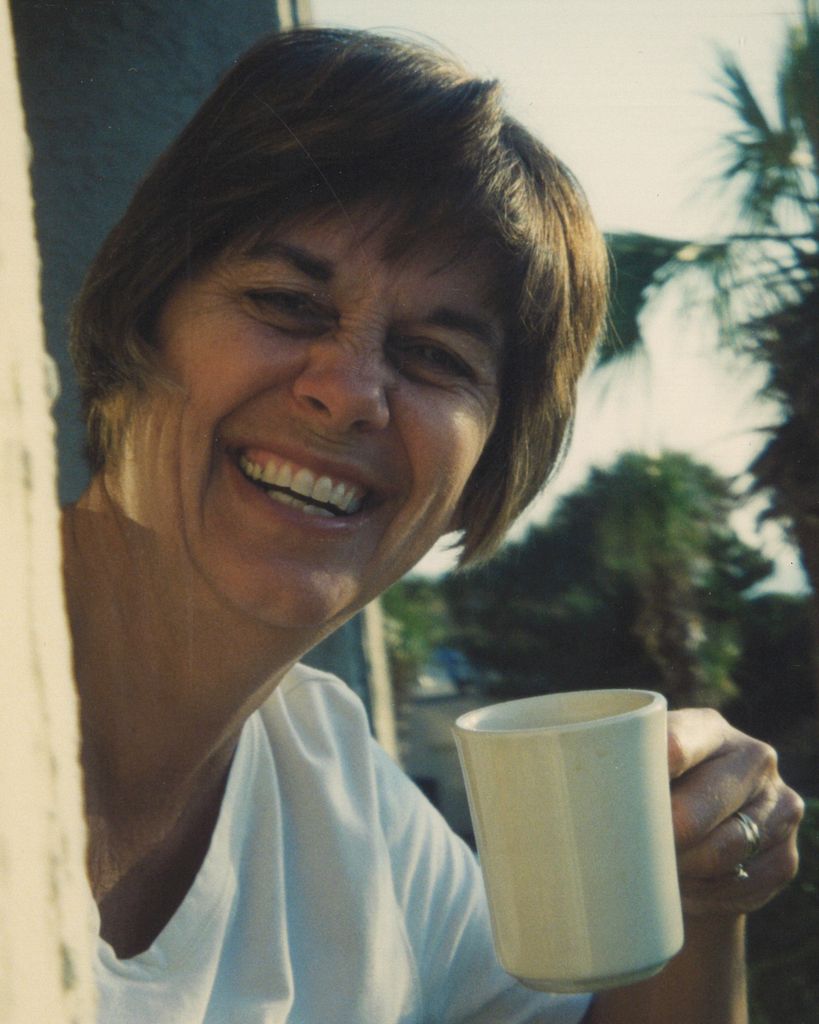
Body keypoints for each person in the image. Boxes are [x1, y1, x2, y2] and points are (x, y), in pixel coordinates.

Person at [62, 27, 803, 1024]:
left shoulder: (340, 796)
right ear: (139, 320)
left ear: (486, 470)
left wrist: (702, 896)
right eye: (286, 303)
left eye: (435, 356)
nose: (349, 392)